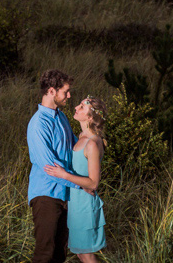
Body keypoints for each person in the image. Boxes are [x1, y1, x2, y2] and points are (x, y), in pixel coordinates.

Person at [26, 68, 83, 263]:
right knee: (45, 253)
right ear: (51, 91)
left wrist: (94, 142)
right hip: (46, 194)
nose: (69, 96)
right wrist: (81, 185)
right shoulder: (38, 124)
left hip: (65, 194)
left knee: (60, 254)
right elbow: (49, 167)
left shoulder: (62, 117)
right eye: (65, 91)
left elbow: (75, 148)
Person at [45, 95, 108, 261]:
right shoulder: (81, 136)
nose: (76, 108)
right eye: (79, 104)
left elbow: (93, 183)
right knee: (80, 251)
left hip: (85, 204)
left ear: (89, 117)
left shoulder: (93, 144)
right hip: (76, 202)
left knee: (85, 253)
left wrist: (64, 175)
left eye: (82, 107)